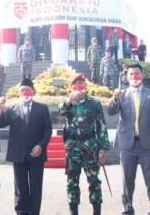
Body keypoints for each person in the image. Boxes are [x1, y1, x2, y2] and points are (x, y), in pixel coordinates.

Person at [108, 62, 150, 215]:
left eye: (137, 74)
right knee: (127, 181)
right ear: (127, 77)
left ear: (142, 76)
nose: (134, 76)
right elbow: (111, 111)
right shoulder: (122, 95)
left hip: (149, 146)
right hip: (128, 145)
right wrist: (114, 98)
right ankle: (127, 209)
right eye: (131, 74)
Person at [0, 78, 52, 215]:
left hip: (36, 154)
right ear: (19, 93)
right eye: (23, 90)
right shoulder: (11, 108)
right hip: (18, 154)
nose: (25, 92)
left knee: (35, 186)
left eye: (28, 90)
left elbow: (48, 130)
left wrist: (41, 145)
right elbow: (1, 123)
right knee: (20, 186)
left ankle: (34, 212)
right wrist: (0, 109)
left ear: (33, 92)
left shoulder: (42, 108)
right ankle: (21, 211)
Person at [60, 73, 110, 215]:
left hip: (90, 146)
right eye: (76, 85)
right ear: (71, 88)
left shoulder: (94, 103)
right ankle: (73, 211)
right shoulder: (67, 103)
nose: (79, 87)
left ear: (86, 87)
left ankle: (96, 211)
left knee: (94, 181)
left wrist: (102, 149)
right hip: (72, 149)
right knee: (72, 182)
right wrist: (69, 100)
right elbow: (61, 111)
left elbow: (101, 125)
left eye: (82, 84)